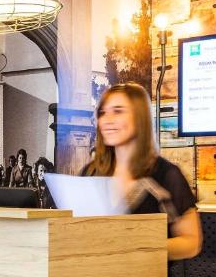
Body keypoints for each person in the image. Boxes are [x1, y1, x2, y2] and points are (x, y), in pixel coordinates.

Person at [82, 82, 202, 262]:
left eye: (118, 111)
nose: (107, 120)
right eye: (102, 113)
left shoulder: (166, 174)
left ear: (140, 117)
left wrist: (139, 248)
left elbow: (191, 243)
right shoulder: (90, 173)